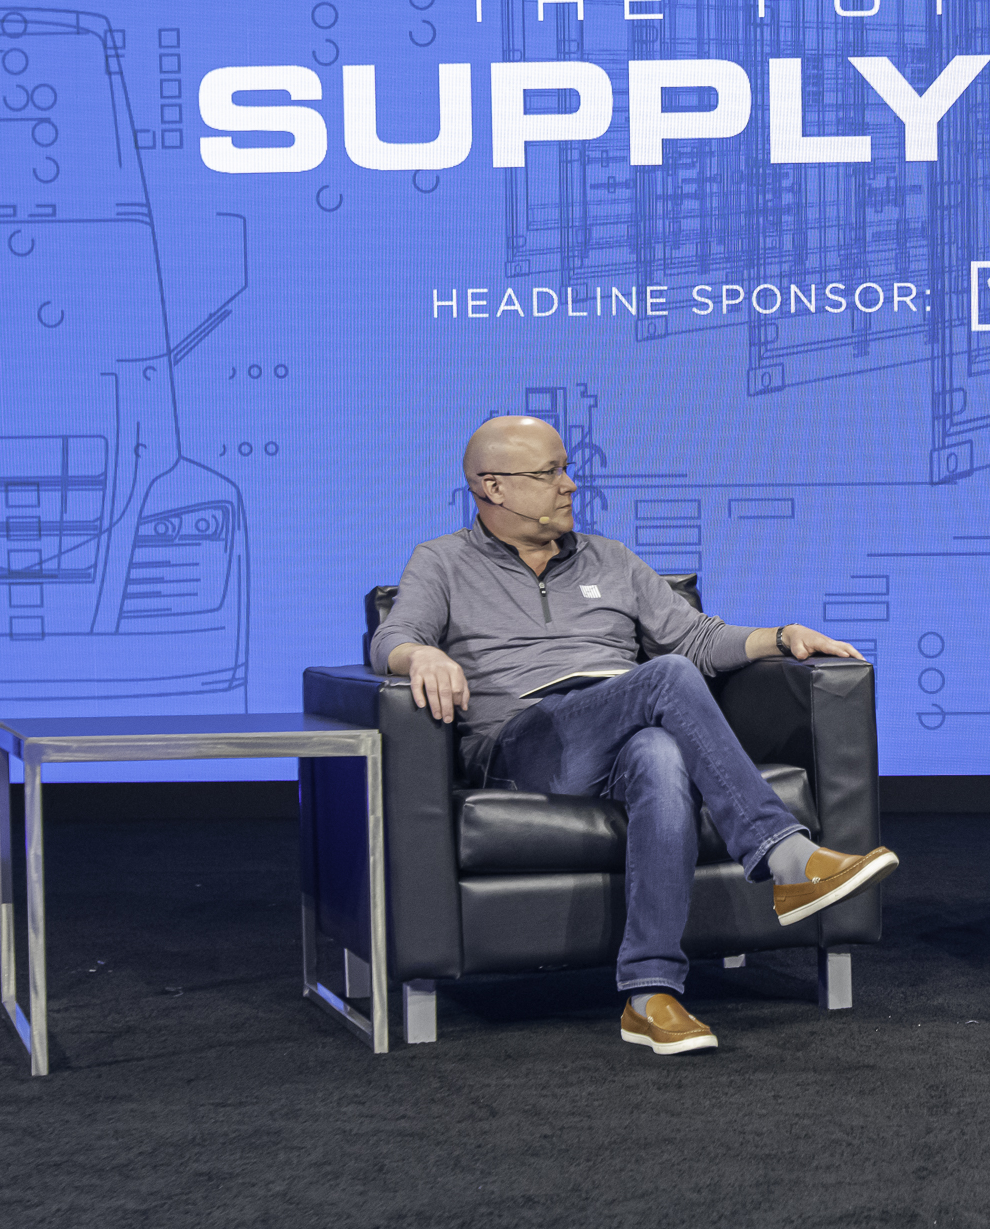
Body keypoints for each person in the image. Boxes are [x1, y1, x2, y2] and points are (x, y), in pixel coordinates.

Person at [371, 414, 900, 1056]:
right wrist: (418, 657)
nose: (569, 485)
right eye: (550, 473)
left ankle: (651, 995)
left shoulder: (608, 558)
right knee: (667, 679)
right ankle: (785, 857)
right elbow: (393, 638)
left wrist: (782, 636)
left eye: (567, 468)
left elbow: (696, 637)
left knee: (659, 752)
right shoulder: (443, 561)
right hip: (526, 740)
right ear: (493, 487)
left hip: (621, 730)